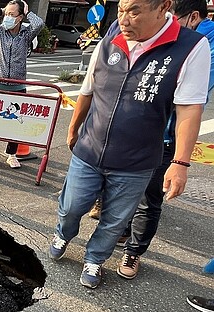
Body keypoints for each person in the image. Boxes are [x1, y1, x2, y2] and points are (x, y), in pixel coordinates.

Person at [48, 0, 211, 289]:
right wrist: (73, 129)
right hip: (90, 149)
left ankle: (95, 259)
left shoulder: (190, 47)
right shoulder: (112, 34)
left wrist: (180, 162)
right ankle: (63, 233)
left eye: (134, 11)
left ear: (163, 7)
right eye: (121, 10)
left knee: (114, 220)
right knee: (72, 206)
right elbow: (88, 88)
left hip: (137, 161)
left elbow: (189, 109)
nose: (124, 19)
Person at [117, 0, 214, 279]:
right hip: (131, 133)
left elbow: (191, 102)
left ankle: (133, 251)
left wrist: (180, 161)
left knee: (149, 197)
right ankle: (123, 231)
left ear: (191, 17)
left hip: (162, 136)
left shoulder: (198, 44)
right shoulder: (142, 33)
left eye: (172, 17)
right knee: (123, 189)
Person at [0, 0, 43, 169]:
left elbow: (40, 23)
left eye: (12, 14)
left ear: (20, 17)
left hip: (17, 85)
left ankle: (11, 154)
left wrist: (29, 13)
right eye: (7, 14)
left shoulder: (26, 34)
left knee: (15, 123)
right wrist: (1, 11)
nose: (7, 17)